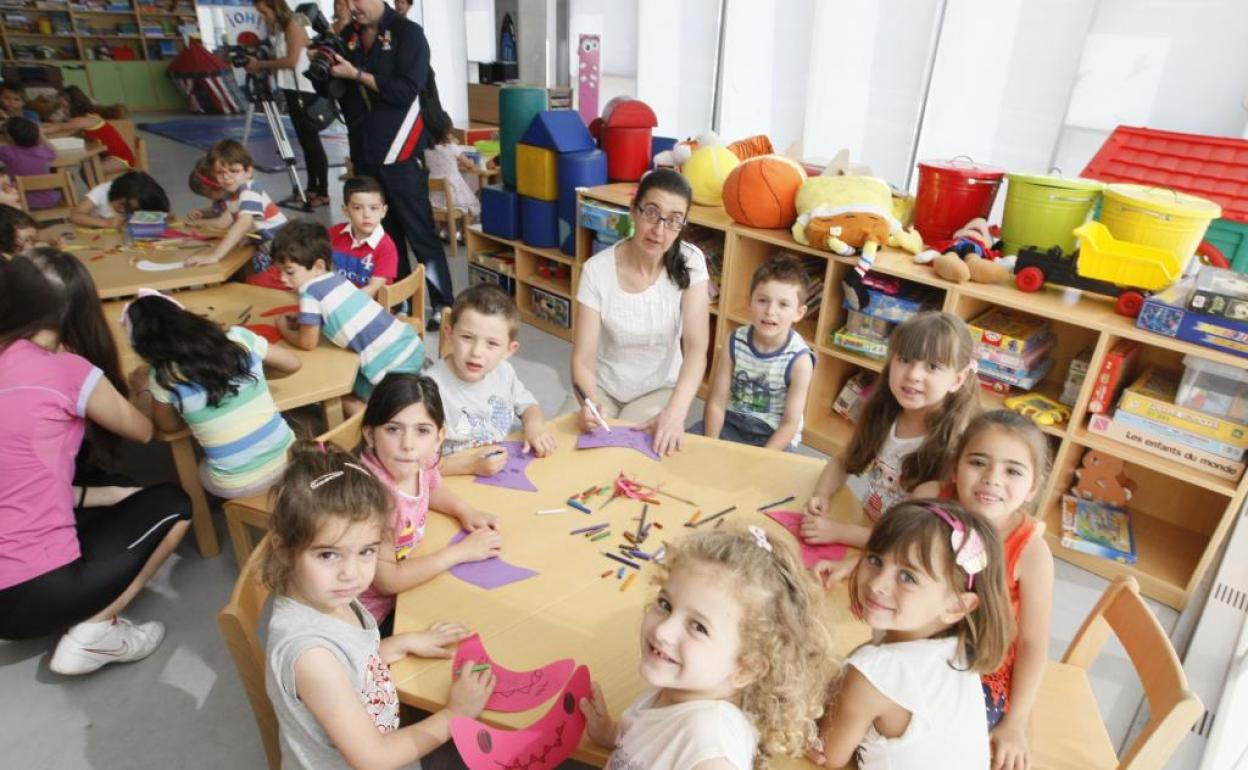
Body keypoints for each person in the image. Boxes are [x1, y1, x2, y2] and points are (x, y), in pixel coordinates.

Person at [0, 250, 192, 674]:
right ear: (78, 307)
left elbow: (20, 479)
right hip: (35, 591)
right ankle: (97, 630)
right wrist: (144, 382)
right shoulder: (67, 370)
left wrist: (107, 493)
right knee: (173, 504)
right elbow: (143, 431)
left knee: (119, 485)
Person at [262, 440, 496, 770]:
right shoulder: (311, 657)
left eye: (367, 551)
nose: (351, 574)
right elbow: (374, 758)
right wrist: (454, 715)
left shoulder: (326, 594)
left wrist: (399, 644)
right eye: (328, 554)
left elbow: (352, 665)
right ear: (284, 549)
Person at [580, 526, 836, 768]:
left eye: (698, 627)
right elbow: (652, 746)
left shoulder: (709, 741)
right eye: (665, 605)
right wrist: (612, 733)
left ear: (747, 668)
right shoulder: (676, 690)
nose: (662, 631)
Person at [810, 500, 1013, 770]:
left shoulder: (873, 674)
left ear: (957, 606)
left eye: (908, 577)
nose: (877, 584)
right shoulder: (959, 649)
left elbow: (828, 755)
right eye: (875, 560)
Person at [919, 410, 1054, 770]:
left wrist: (1016, 723)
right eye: (978, 462)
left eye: (1012, 470)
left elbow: (1033, 644)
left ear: (1034, 486)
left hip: (981, 669)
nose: (992, 480)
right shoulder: (930, 504)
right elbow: (892, 559)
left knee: (937, 746)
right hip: (917, 642)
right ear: (955, 467)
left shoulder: (1031, 552)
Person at [801, 311, 979, 557]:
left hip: (901, 550)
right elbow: (844, 460)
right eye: (904, 359)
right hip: (869, 527)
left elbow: (913, 534)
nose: (913, 375)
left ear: (957, 380)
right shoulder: (884, 412)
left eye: (933, 366)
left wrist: (840, 532)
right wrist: (822, 494)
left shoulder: (953, 447)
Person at [567, 168, 711, 456]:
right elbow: (582, 359)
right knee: (565, 448)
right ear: (633, 211)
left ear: (682, 225)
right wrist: (590, 404)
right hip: (602, 388)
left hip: (657, 389)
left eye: (673, 221)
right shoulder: (597, 271)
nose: (659, 230)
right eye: (651, 213)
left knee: (625, 453)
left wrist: (676, 412)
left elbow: (696, 350)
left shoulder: (692, 261)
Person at [328, 0, 455, 321]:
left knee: (420, 233)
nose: (351, 7)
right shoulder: (351, 36)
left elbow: (404, 91)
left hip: (400, 149)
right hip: (366, 150)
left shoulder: (408, 34)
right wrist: (327, 63)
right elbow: (338, 90)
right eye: (346, 1)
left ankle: (443, 304)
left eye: (357, 0)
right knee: (385, 235)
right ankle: (398, 300)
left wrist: (357, 74)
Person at [356, 373, 503, 632]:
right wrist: (460, 553)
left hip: (407, 585)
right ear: (370, 434)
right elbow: (388, 581)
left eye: (422, 431)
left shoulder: (421, 462)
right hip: (370, 618)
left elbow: (430, 487)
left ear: (439, 437)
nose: (408, 445)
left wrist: (464, 510)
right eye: (393, 429)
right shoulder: (373, 501)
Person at [123, 289, 302, 500]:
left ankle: (214, 520)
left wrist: (143, 389)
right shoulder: (238, 338)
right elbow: (292, 364)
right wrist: (248, 374)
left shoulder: (163, 376)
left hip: (238, 485)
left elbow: (169, 427)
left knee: (202, 466)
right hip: (293, 460)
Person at [272, 221, 425, 411]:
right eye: (279, 272)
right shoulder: (336, 278)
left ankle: (368, 420)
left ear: (318, 266)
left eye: (289, 272)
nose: (282, 279)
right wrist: (304, 318)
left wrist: (282, 327)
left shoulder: (308, 292)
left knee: (338, 389)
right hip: (410, 346)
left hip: (390, 370)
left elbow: (307, 343)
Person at [430, 284, 557, 477]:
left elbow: (528, 406)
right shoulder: (428, 389)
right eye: (467, 337)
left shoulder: (504, 372)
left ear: (509, 350)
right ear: (449, 334)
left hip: (499, 470)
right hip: (454, 480)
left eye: (492, 343)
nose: (476, 352)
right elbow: (415, 465)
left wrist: (534, 426)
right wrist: (470, 466)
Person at [696, 253, 814, 450]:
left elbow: (789, 425)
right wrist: (711, 446)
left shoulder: (801, 361)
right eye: (762, 300)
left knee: (776, 477)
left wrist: (761, 459)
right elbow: (716, 402)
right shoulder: (734, 341)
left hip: (771, 433)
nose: (770, 311)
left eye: (783, 304)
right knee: (687, 447)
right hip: (731, 422)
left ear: (799, 313)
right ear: (749, 302)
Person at [245, 0, 330, 207]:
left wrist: (261, 65)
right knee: (304, 143)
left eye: (264, 12)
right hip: (290, 88)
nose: (263, 17)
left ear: (274, 7)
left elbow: (291, 60)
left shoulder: (294, 23)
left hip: (304, 89)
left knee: (312, 142)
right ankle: (310, 188)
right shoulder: (278, 27)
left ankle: (323, 191)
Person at [185, 140, 288, 276]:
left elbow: (244, 222)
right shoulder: (230, 194)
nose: (227, 177)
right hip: (270, 247)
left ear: (248, 171)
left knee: (251, 276)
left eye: (234, 171)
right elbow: (258, 224)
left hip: (284, 251)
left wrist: (215, 256)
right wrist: (252, 237)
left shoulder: (250, 189)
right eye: (220, 173)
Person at [330, 175, 398, 298]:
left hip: (370, 308)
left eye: (374, 208)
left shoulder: (386, 247)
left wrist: (340, 303)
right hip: (335, 303)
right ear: (346, 210)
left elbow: (373, 289)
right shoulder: (334, 233)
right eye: (357, 208)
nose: (366, 215)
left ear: (384, 211)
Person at [45, 86, 136, 175]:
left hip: (120, 158)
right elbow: (61, 129)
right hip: (107, 155)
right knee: (86, 169)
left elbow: (59, 127)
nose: (62, 110)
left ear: (74, 105)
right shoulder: (85, 117)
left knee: (89, 171)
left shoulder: (85, 120)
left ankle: (100, 189)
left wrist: (36, 130)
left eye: (64, 107)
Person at [424, 113, 481, 220]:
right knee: (472, 203)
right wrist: (472, 163)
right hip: (455, 198)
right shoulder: (452, 148)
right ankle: (466, 233)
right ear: (447, 131)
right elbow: (469, 165)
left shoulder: (426, 151)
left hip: (434, 199)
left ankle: (445, 231)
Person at [70, 170, 170, 229]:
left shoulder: (140, 199)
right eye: (123, 204)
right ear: (116, 192)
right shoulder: (101, 192)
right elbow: (75, 216)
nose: (123, 210)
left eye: (132, 209)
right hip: (99, 239)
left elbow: (163, 211)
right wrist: (105, 222)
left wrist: (161, 216)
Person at [0, 117, 58, 209]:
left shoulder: (7, 152)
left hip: (20, 201)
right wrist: (41, 135)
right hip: (49, 200)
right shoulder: (42, 152)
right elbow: (54, 152)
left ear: (9, 137)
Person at [185, 156, 229, 222]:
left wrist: (199, 223)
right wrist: (201, 213)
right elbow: (216, 211)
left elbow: (222, 222)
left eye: (208, 194)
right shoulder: (220, 198)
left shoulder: (237, 195)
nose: (210, 198)